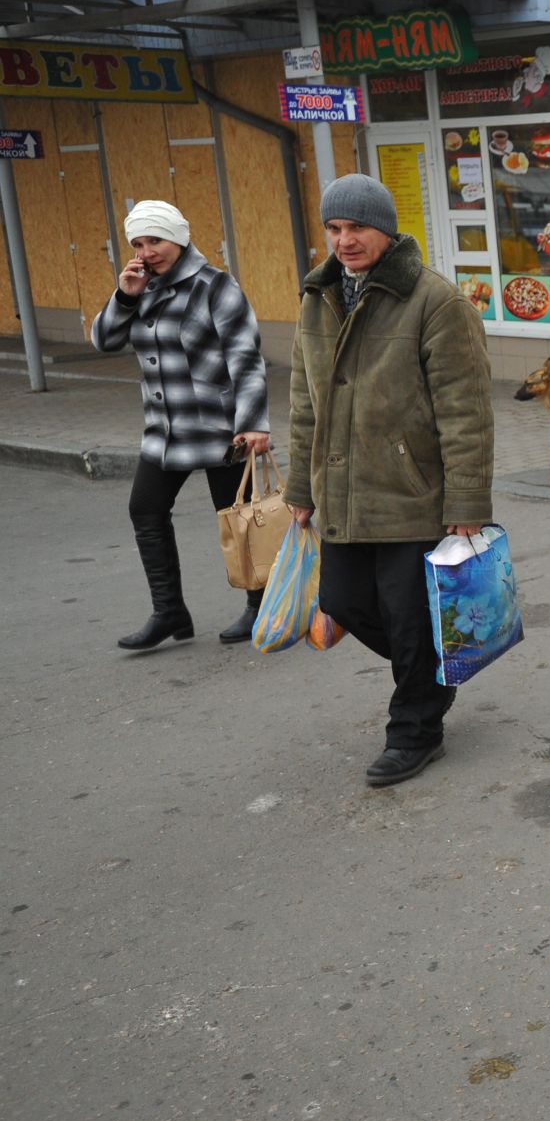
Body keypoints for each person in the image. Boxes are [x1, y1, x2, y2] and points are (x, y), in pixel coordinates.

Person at [285, 174, 495, 787]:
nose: (344, 240)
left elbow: (467, 411)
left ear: (386, 229)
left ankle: (415, 730)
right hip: (343, 492)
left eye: (357, 228)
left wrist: (467, 500)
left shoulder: (435, 301)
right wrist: (300, 488)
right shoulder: (316, 297)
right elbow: (305, 403)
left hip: (413, 493)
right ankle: (431, 675)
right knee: (344, 601)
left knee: (407, 617)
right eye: (334, 228)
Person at [91, 200, 271, 650]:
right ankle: (169, 612)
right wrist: (125, 296)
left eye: (156, 240)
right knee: (145, 510)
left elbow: (246, 359)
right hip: (165, 431)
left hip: (220, 427)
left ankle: (261, 605)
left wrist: (254, 424)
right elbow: (104, 340)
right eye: (138, 242)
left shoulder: (215, 286)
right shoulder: (139, 286)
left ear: (180, 238)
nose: (147, 251)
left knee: (239, 519)